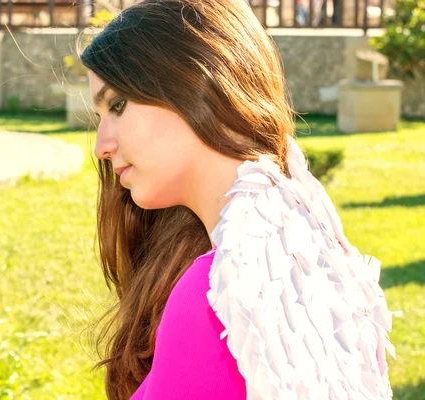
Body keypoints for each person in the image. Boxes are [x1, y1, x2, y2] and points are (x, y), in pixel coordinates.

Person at [80, 0, 396, 399]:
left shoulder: (213, 297)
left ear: (193, 82)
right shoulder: (316, 259)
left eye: (117, 105)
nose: (100, 146)